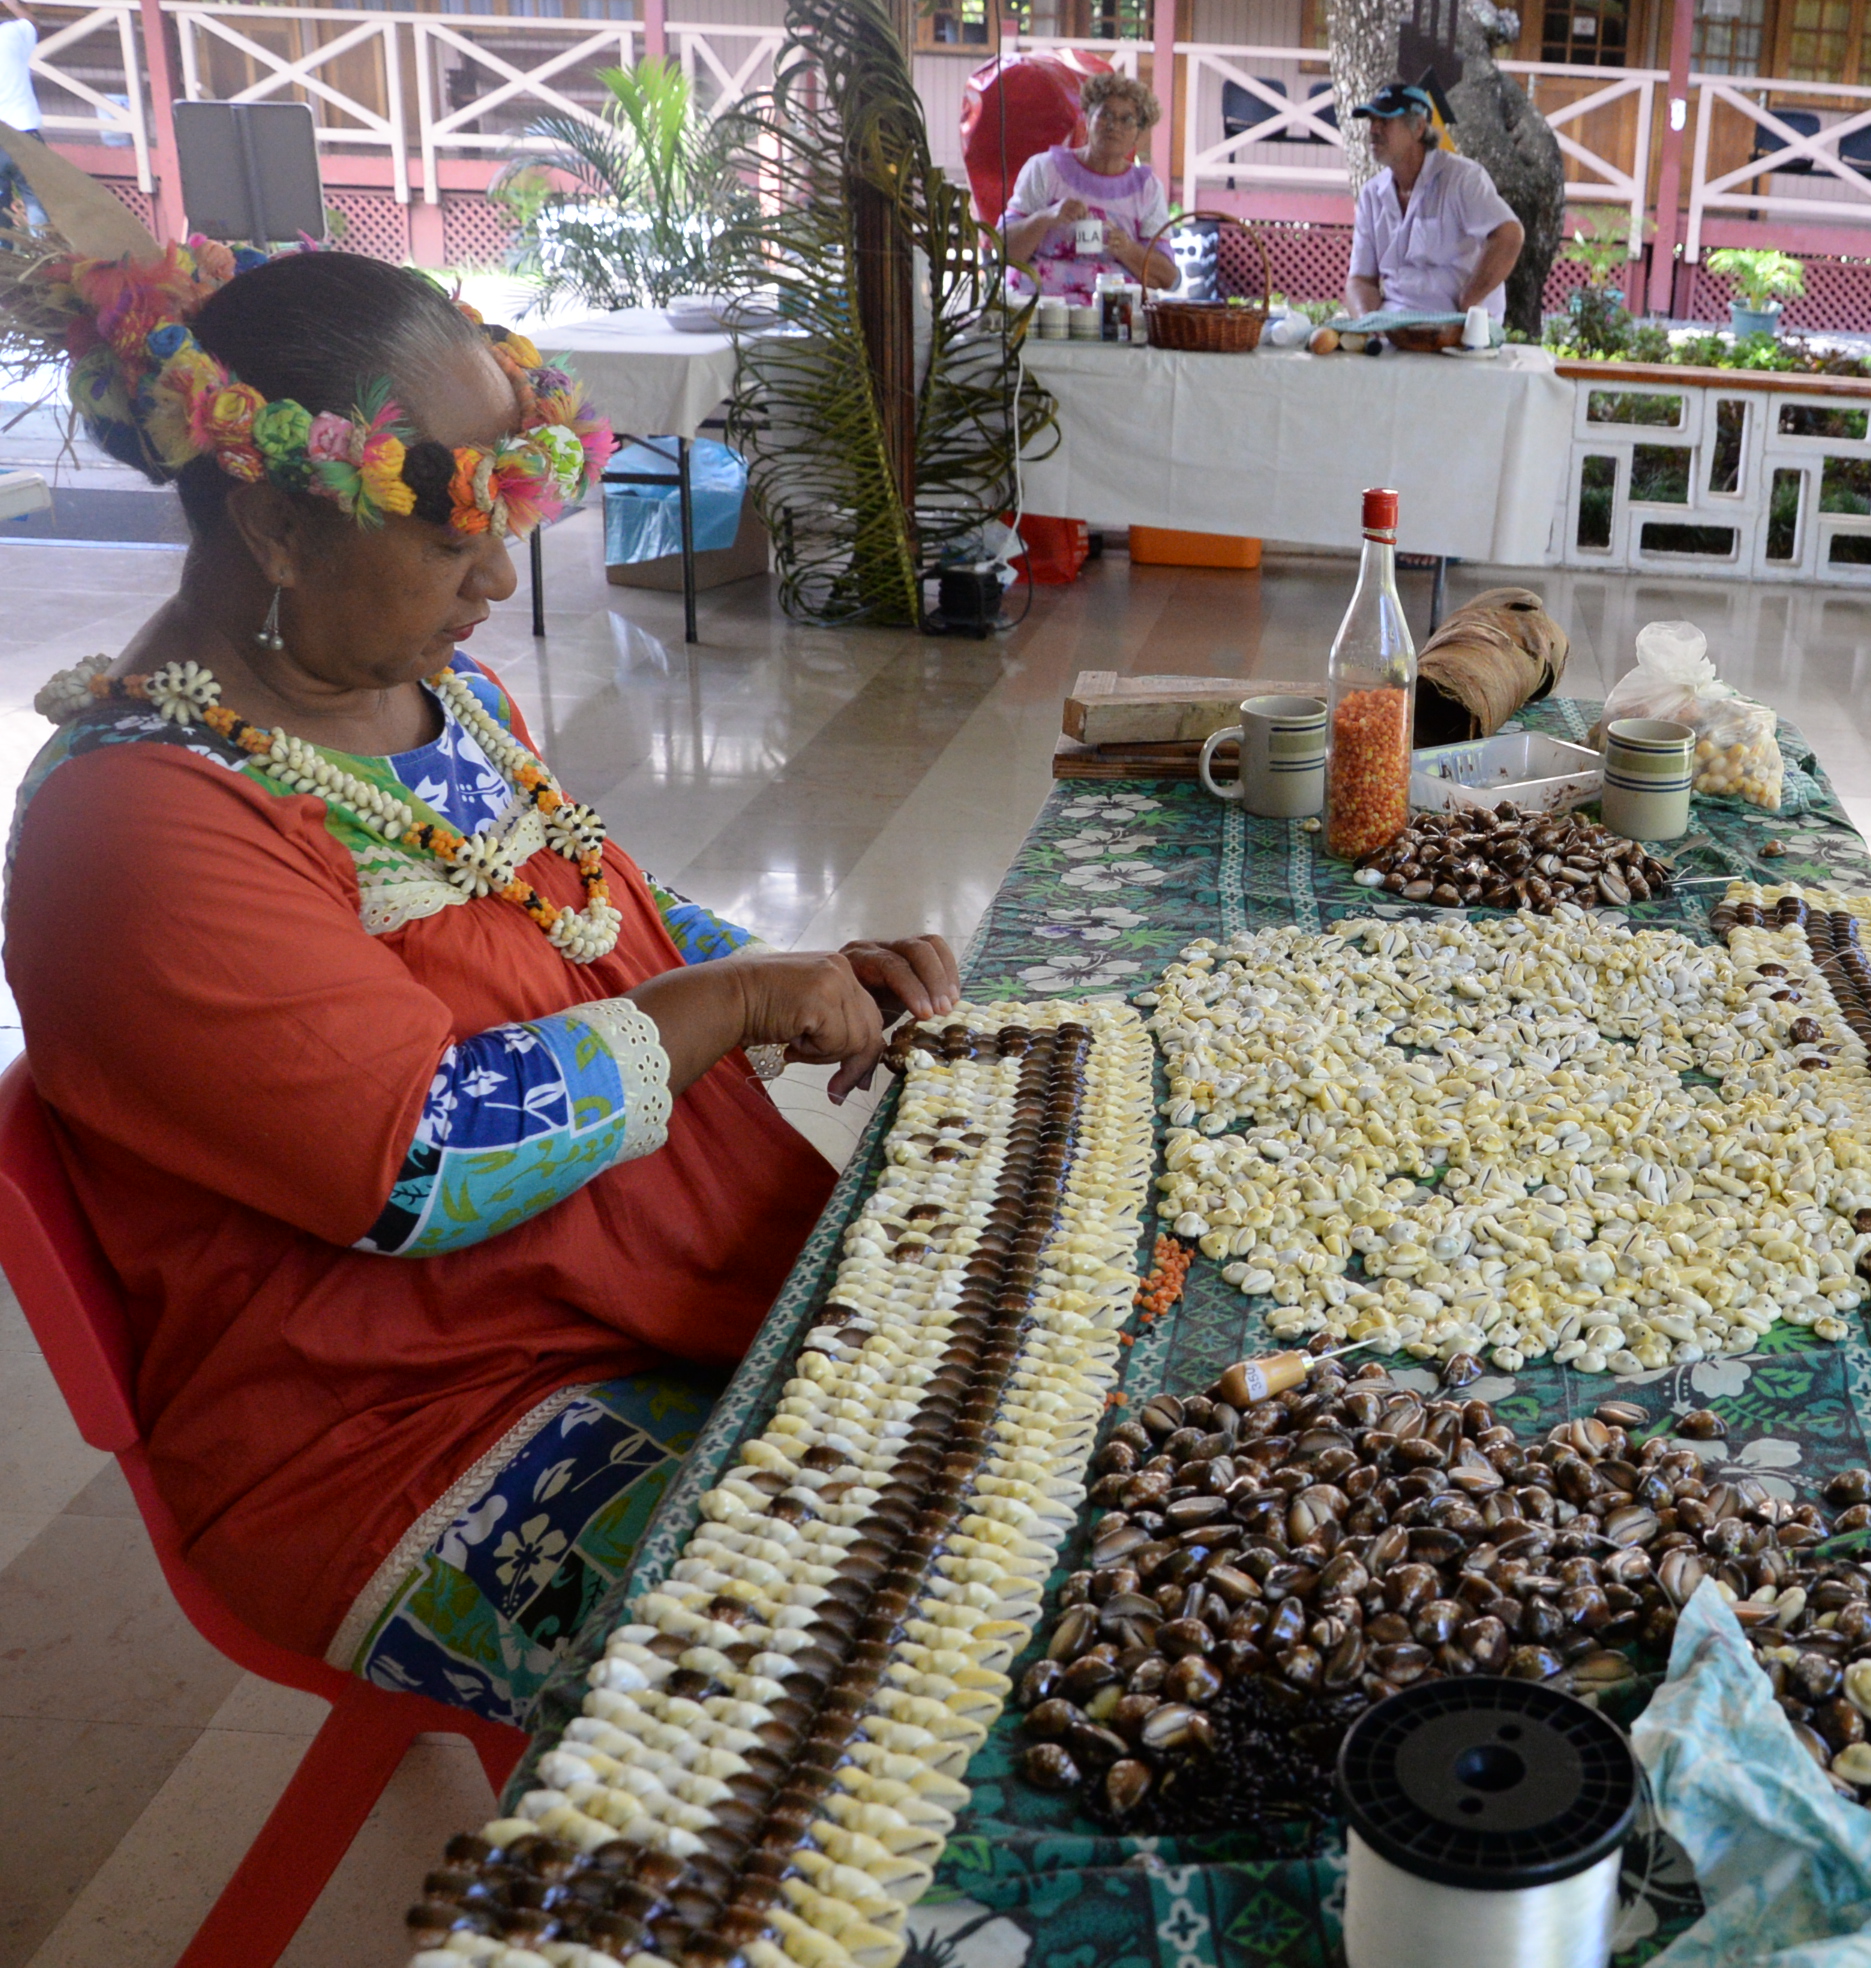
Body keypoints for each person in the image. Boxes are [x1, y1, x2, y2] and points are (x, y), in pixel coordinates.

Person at [0, 224, 961, 1724]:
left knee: (1015, 1441)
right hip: (398, 1429)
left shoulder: (431, 692)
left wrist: (795, 968)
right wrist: (724, 1007)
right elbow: (418, 1164)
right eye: (455, 539)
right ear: (277, 528)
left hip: (605, 1302)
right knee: (907, 1649)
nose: (498, 580)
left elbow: (596, 914)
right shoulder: (136, 825)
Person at [1344, 82, 1522, 322]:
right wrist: (1367, 325)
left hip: (1457, 327)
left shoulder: (1461, 178)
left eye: (1385, 121)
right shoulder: (1371, 193)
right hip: (1395, 328)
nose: (1373, 129)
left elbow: (1509, 235)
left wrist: (1469, 300)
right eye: (1371, 120)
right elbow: (1361, 280)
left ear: (1418, 128)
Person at [999, 69, 1181, 305]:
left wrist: (1126, 248)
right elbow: (1001, 250)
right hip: (1038, 311)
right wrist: (1046, 218)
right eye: (1105, 114)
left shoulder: (1146, 188)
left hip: (1113, 318)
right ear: (1087, 118)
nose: (1114, 126)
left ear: (1138, 132)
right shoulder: (1046, 169)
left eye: (1126, 119)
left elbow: (1167, 278)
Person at [0, 0, 45, 237]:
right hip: (25, 134)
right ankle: (45, 259)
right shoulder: (11, 34)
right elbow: (32, 22)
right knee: (38, 202)